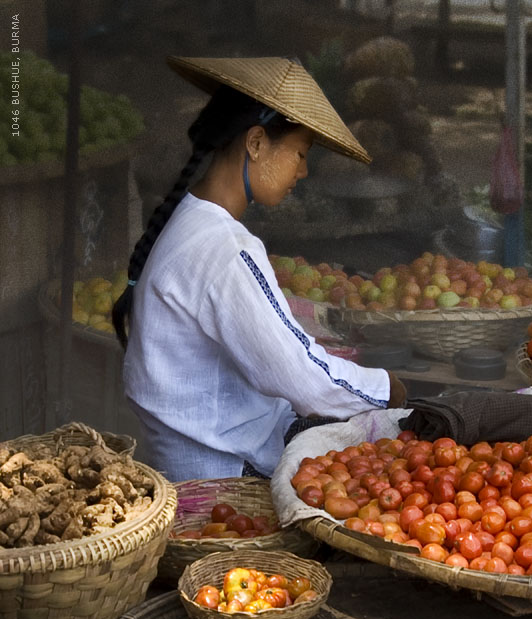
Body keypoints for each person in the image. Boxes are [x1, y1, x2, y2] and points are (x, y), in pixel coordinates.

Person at [112, 56, 406, 482]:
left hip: (190, 456)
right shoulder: (225, 249)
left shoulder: (189, 220)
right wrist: (388, 388)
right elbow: (303, 380)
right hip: (224, 475)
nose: (302, 172)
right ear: (255, 143)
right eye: (300, 154)